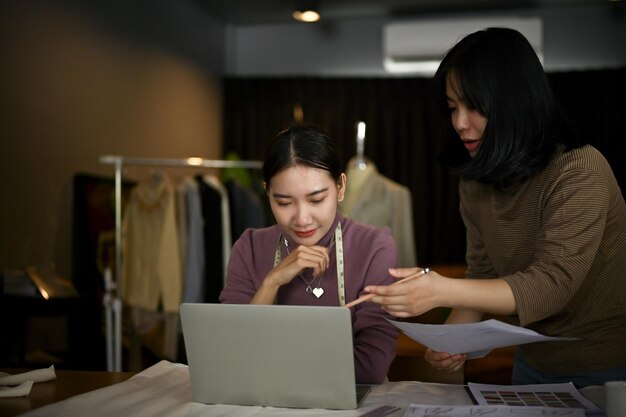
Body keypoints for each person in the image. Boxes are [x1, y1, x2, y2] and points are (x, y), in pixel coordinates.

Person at [364, 27, 626, 387]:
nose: (459, 123)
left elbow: (550, 286)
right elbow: (483, 277)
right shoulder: (476, 180)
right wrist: (449, 342)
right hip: (533, 360)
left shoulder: (580, 170)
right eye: (453, 108)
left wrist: (439, 289)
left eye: (474, 107)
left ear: (515, 101)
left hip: (607, 365)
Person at [220, 124, 399, 384]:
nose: (302, 219)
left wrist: (268, 362)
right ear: (267, 192)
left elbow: (370, 367)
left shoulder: (375, 247)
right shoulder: (249, 247)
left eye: (316, 200)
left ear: (340, 187)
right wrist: (272, 282)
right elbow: (231, 355)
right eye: (283, 203)